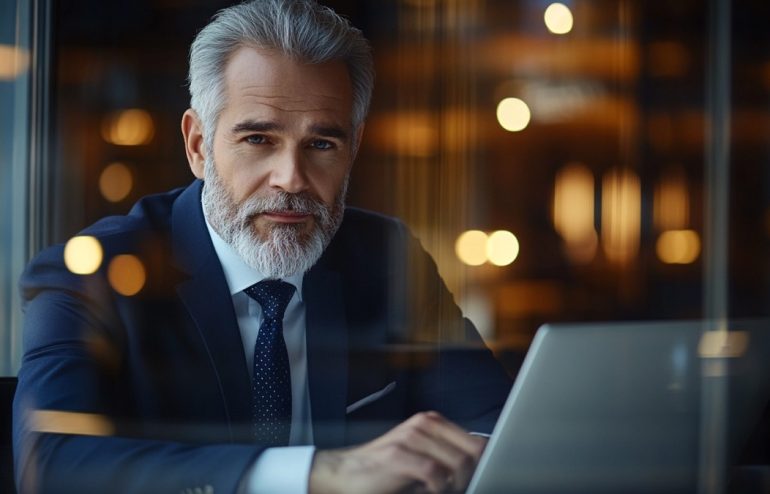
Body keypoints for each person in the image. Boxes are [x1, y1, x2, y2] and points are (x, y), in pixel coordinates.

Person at [12, 1, 512, 493]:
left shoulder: (386, 257)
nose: (291, 179)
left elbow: (494, 423)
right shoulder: (91, 273)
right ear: (198, 145)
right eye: (257, 139)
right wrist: (318, 474)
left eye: (321, 145)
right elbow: (50, 461)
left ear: (354, 148)